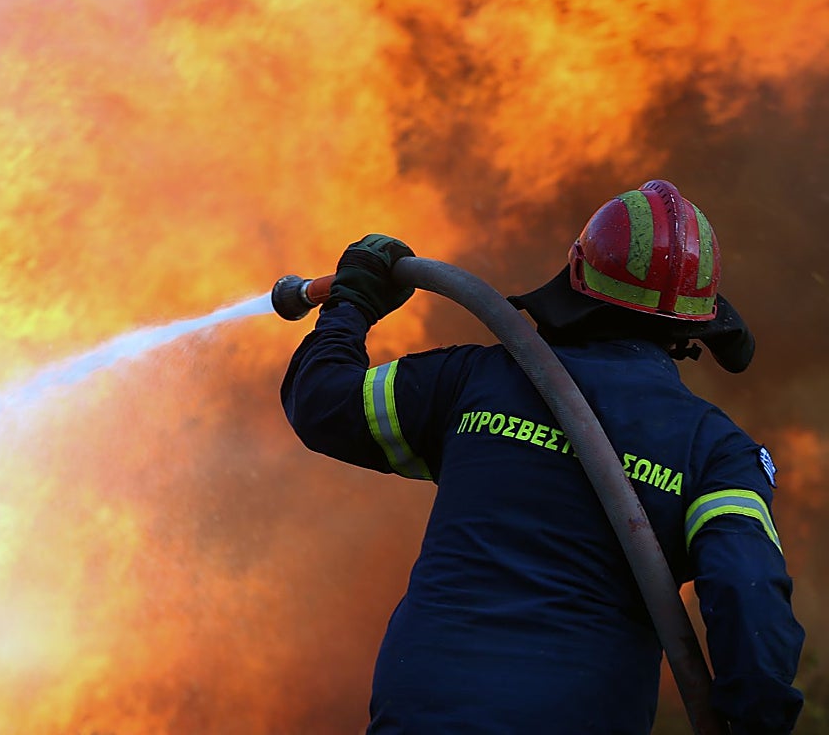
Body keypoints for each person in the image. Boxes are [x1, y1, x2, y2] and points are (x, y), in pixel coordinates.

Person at [280, 180, 804, 734]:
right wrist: (756, 722)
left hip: (425, 714)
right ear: (698, 321)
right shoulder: (716, 452)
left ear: (578, 277)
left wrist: (352, 305)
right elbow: (749, 597)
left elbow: (322, 401)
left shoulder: (473, 382)